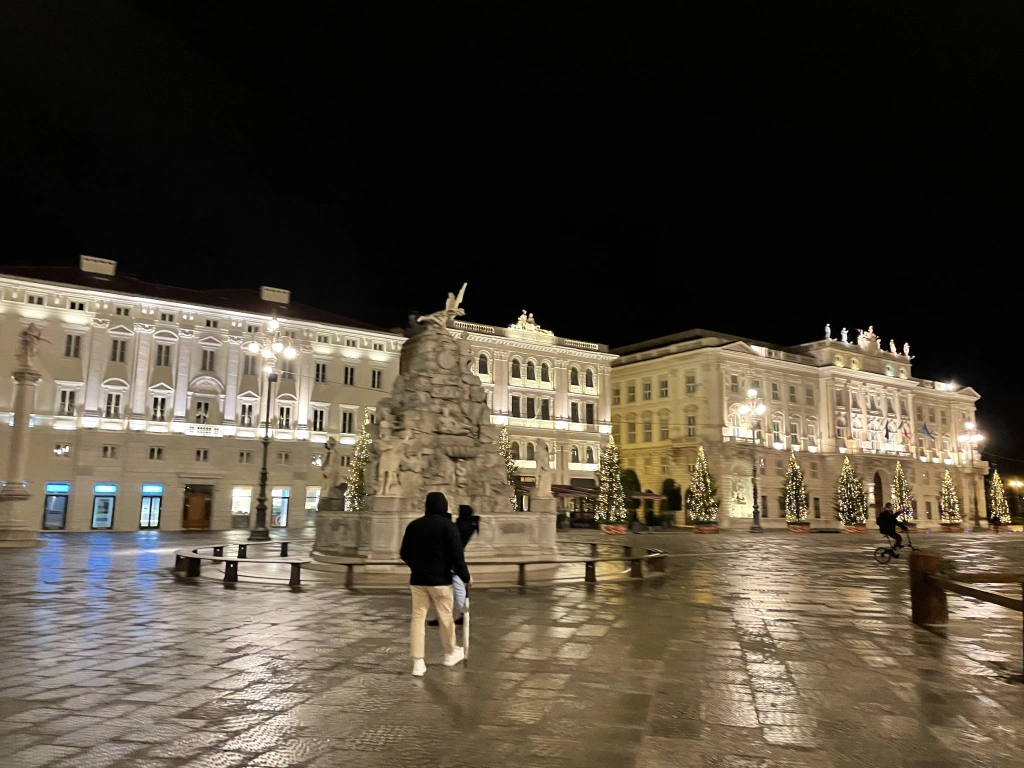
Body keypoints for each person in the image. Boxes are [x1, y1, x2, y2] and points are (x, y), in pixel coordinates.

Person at [400, 492, 471, 677]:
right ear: (444, 506)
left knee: (418, 618)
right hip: (441, 581)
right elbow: (457, 557)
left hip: (418, 580)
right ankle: (450, 652)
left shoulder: (414, 526)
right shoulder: (448, 527)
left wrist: (416, 567)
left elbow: (404, 553)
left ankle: (418, 662)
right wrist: (465, 577)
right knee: (445, 616)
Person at [430, 505, 480, 627]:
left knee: (449, 589)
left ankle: (457, 614)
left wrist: (447, 516)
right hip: (453, 560)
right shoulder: (468, 524)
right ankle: (462, 613)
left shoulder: (462, 526)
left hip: (450, 560)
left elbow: (448, 532)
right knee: (456, 588)